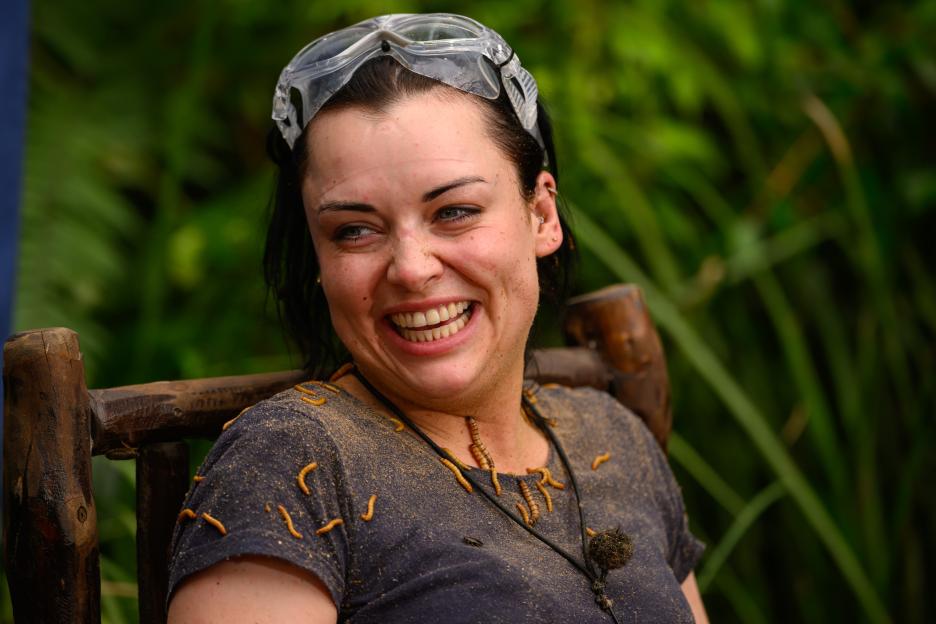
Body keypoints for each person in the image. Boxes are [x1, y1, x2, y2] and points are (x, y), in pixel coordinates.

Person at [167, 13, 707, 623]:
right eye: (354, 230)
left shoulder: (611, 438)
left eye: (454, 212)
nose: (412, 268)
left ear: (542, 215)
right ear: (318, 260)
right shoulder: (293, 462)